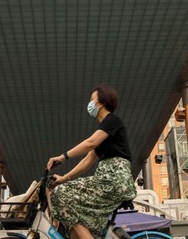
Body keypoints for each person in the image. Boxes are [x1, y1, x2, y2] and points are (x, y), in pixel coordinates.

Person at [46, 85, 136, 239]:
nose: (90, 103)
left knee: (60, 194)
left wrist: (62, 156)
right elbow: (87, 160)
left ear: (101, 102)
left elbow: (90, 143)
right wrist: (64, 177)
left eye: (92, 99)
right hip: (110, 180)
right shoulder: (105, 132)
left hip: (113, 179)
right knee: (74, 226)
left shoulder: (112, 121)